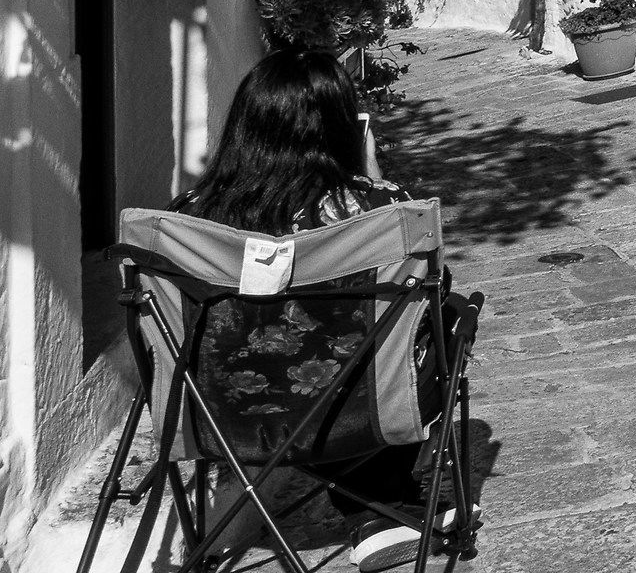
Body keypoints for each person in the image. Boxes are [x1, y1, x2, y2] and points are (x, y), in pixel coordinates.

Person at [177, 50, 456, 572]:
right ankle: (381, 508)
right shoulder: (375, 215)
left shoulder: (187, 223)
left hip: (220, 416)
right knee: (430, 322)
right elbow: (428, 298)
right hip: (353, 414)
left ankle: (238, 495)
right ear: (341, 128)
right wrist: (375, 180)